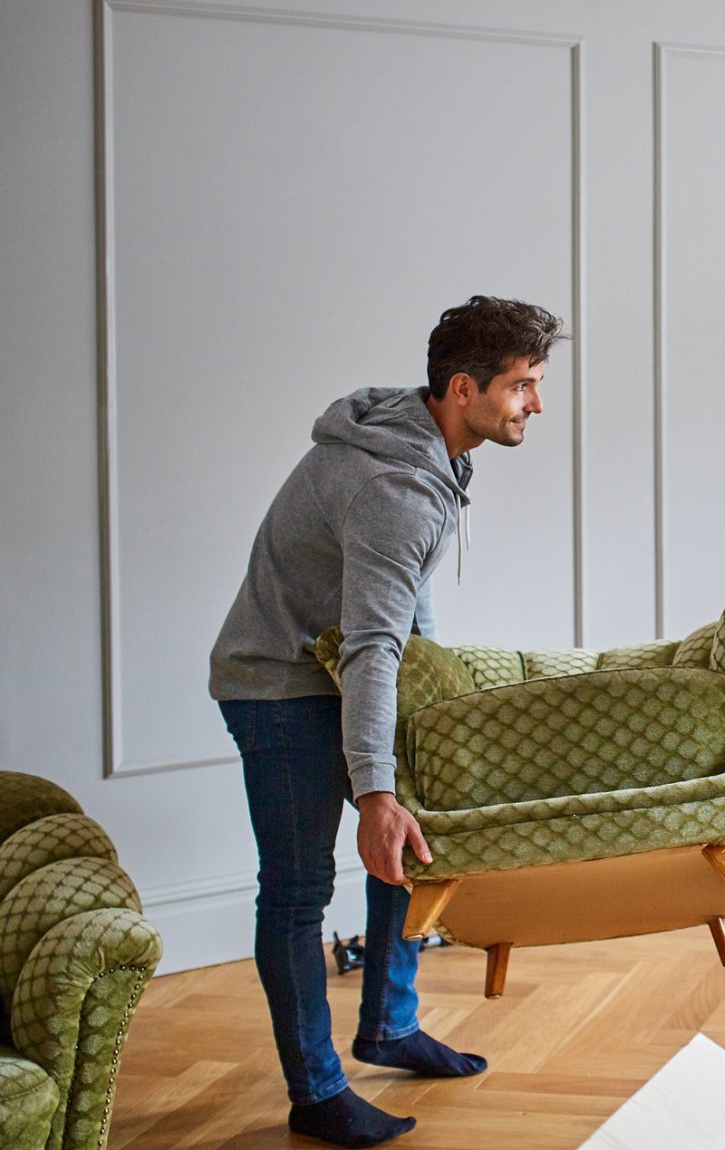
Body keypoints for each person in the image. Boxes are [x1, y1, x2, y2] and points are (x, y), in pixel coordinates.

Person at [208, 296, 566, 1148]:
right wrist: (374, 788)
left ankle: (389, 1025)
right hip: (280, 686)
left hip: (341, 672)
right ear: (462, 386)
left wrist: (429, 705)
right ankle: (316, 1088)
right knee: (298, 894)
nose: (535, 406)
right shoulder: (394, 482)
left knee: (409, 846)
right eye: (523, 387)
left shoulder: (423, 444)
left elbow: (405, 604)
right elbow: (373, 640)